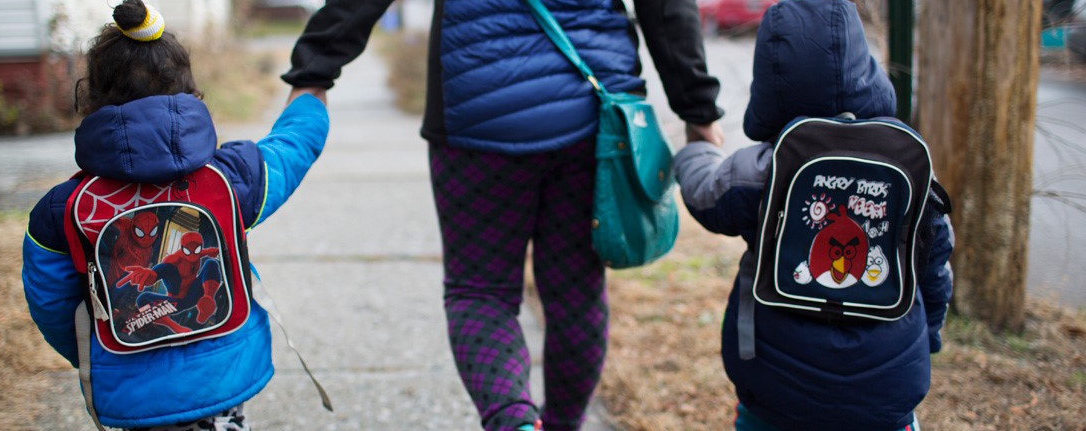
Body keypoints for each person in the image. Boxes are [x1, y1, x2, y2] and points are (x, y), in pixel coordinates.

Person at [283, 1, 722, 430]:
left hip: (478, 110)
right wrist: (696, 106)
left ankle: (514, 423)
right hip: (591, 111)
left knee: (481, 292)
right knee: (576, 291)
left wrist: (315, 69)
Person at [20, 1, 329, 429]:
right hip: (222, 380)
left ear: (89, 98)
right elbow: (294, 146)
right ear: (190, 94)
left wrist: (98, 356)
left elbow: (51, 305)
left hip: (132, 398)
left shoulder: (62, 211)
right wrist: (310, 95)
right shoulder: (230, 180)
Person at [672, 1, 954, 430]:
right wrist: (927, 337)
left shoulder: (766, 168)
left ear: (770, 82)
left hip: (774, 392)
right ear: (866, 67)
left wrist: (695, 149)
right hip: (888, 394)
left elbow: (706, 195)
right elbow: (936, 263)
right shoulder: (909, 173)